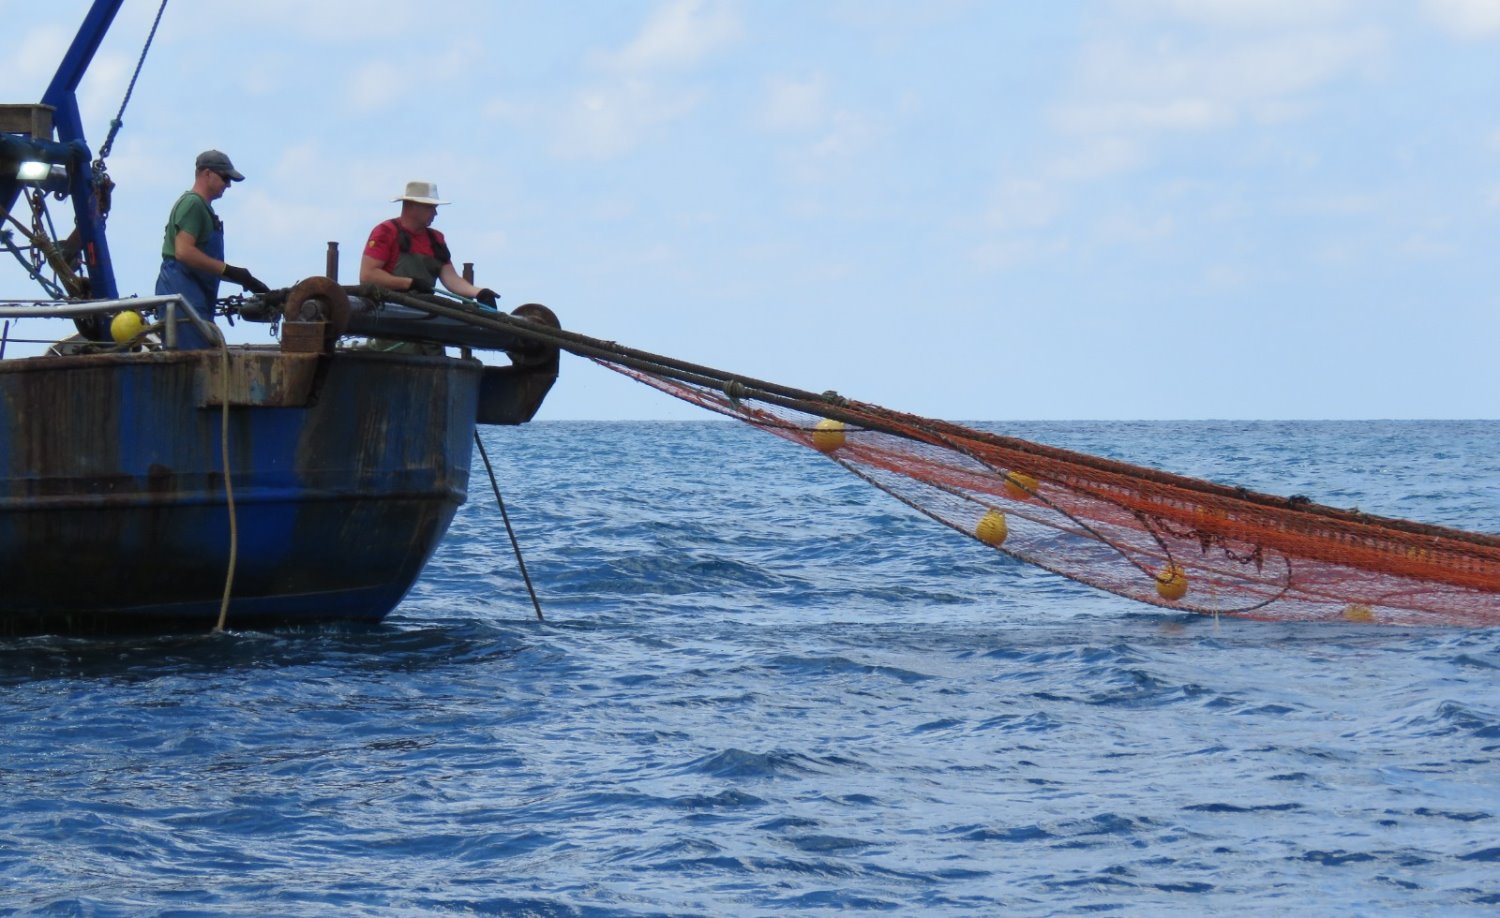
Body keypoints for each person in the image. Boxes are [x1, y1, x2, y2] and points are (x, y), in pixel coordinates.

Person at [154, 149, 269, 349]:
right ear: (207, 174)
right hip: (183, 294)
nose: (228, 185)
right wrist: (229, 270)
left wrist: (244, 279)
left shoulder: (203, 209)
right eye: (225, 178)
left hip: (195, 296)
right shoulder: (193, 204)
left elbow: (203, 263)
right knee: (193, 363)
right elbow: (184, 252)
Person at [359, 180, 498, 307]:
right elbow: (367, 276)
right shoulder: (386, 232)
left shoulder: (436, 239)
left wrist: (479, 292)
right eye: (430, 207)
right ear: (413, 205)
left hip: (423, 314)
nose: (435, 213)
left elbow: (451, 278)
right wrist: (409, 283)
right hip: (390, 312)